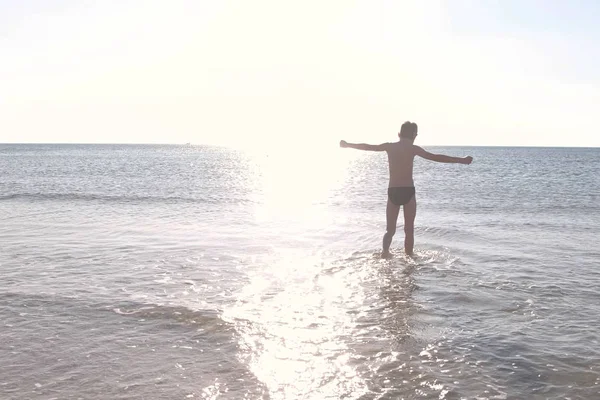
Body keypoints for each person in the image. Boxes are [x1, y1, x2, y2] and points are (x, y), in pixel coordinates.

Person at [340, 121, 473, 258]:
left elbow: (369, 147)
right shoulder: (413, 148)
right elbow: (435, 157)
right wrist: (460, 160)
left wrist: (348, 145)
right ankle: (409, 258)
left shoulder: (389, 147)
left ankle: (385, 253)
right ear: (414, 135)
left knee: (389, 230)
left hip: (393, 191)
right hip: (408, 191)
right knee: (409, 230)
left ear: (399, 133)